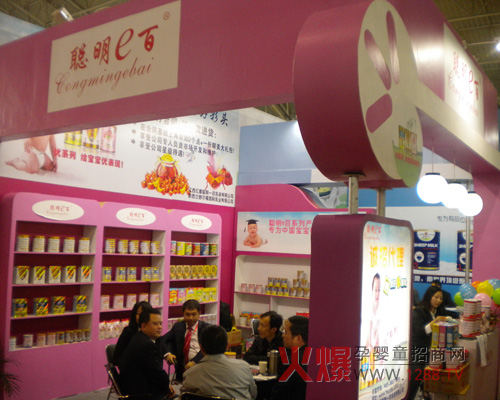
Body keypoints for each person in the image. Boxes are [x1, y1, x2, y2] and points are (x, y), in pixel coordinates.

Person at [181, 325, 257, 400]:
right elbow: (254, 394)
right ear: (227, 346)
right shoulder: (244, 368)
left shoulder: (189, 375)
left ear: (201, 348)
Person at [118, 309, 174, 400]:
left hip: (132, 385)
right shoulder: (147, 345)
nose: (159, 327)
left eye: (160, 324)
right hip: (140, 392)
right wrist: (167, 385)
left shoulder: (139, 337)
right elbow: (157, 373)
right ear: (143, 326)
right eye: (155, 324)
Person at [408, 286, 449, 400]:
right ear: (429, 297)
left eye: (441, 298)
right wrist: (434, 322)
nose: (438, 300)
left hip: (434, 350)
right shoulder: (419, 311)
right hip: (418, 349)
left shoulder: (439, 312)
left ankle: (426, 392)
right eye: (436, 297)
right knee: (417, 375)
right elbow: (420, 331)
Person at [160, 299, 209, 381]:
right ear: (183, 314)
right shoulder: (178, 326)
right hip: (181, 369)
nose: (190, 318)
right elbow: (162, 340)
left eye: (194, 314)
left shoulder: (206, 328)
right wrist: (167, 354)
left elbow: (208, 347)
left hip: (201, 367)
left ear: (199, 313)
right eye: (187, 314)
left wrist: (194, 362)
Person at [271, 316, 309, 400]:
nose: (283, 335)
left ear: (298, 338)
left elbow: (278, 393)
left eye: (286, 332)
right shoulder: (316, 355)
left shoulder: (293, 363)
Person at [113, 301, 153, 365]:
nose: (141, 317)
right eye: (138, 314)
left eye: (144, 314)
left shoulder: (153, 332)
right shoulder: (128, 332)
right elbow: (117, 357)